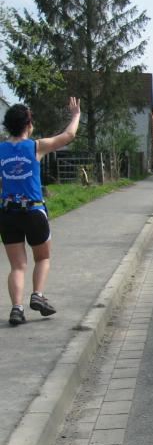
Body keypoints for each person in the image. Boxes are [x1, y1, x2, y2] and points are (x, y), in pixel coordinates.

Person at [1, 97, 81, 326]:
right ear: (28, 124)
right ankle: (37, 295)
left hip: (7, 213)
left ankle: (16, 309)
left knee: (17, 266)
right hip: (33, 210)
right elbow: (68, 136)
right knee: (43, 257)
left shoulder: (1, 150)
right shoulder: (36, 146)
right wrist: (75, 115)